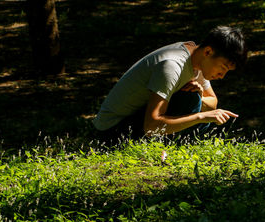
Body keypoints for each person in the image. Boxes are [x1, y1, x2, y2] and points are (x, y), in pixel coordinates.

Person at [93, 25, 247, 143]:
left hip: (134, 121)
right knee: (190, 101)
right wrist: (200, 116)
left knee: (193, 98)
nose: (222, 76)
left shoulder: (198, 61)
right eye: (223, 68)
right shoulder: (173, 65)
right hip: (112, 132)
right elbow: (151, 127)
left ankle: (178, 146)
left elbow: (213, 103)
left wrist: (200, 95)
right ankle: (176, 147)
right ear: (208, 52)